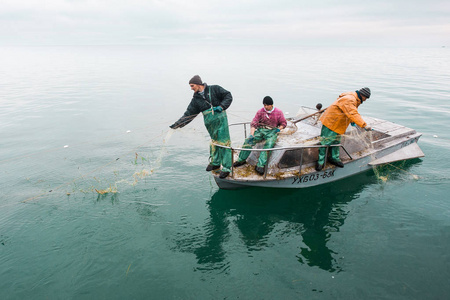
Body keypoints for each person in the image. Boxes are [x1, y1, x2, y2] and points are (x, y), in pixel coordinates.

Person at [169, 75, 233, 179]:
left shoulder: (215, 89)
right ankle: (215, 162)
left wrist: (221, 106)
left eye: (192, 85)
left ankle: (226, 168)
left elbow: (228, 96)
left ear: (199, 84)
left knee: (224, 142)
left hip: (221, 119)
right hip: (209, 123)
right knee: (214, 141)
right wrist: (177, 125)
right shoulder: (196, 100)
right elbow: (189, 114)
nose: (191, 88)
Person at [315, 87, 372, 171]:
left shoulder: (355, 98)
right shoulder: (350, 99)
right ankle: (320, 161)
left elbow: (348, 111)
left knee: (336, 141)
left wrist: (352, 120)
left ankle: (334, 158)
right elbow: (352, 113)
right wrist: (364, 125)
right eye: (366, 98)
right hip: (331, 122)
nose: (365, 100)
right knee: (326, 141)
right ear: (362, 95)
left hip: (339, 123)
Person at [233, 96, 287, 175]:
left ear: (271, 105)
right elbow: (254, 123)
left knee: (269, 144)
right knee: (248, 141)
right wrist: (251, 135)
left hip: (272, 131)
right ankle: (241, 160)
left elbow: (283, 123)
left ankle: (260, 165)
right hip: (261, 130)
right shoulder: (260, 112)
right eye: (264, 105)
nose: (265, 107)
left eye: (267, 105)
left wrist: (279, 129)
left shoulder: (278, 112)